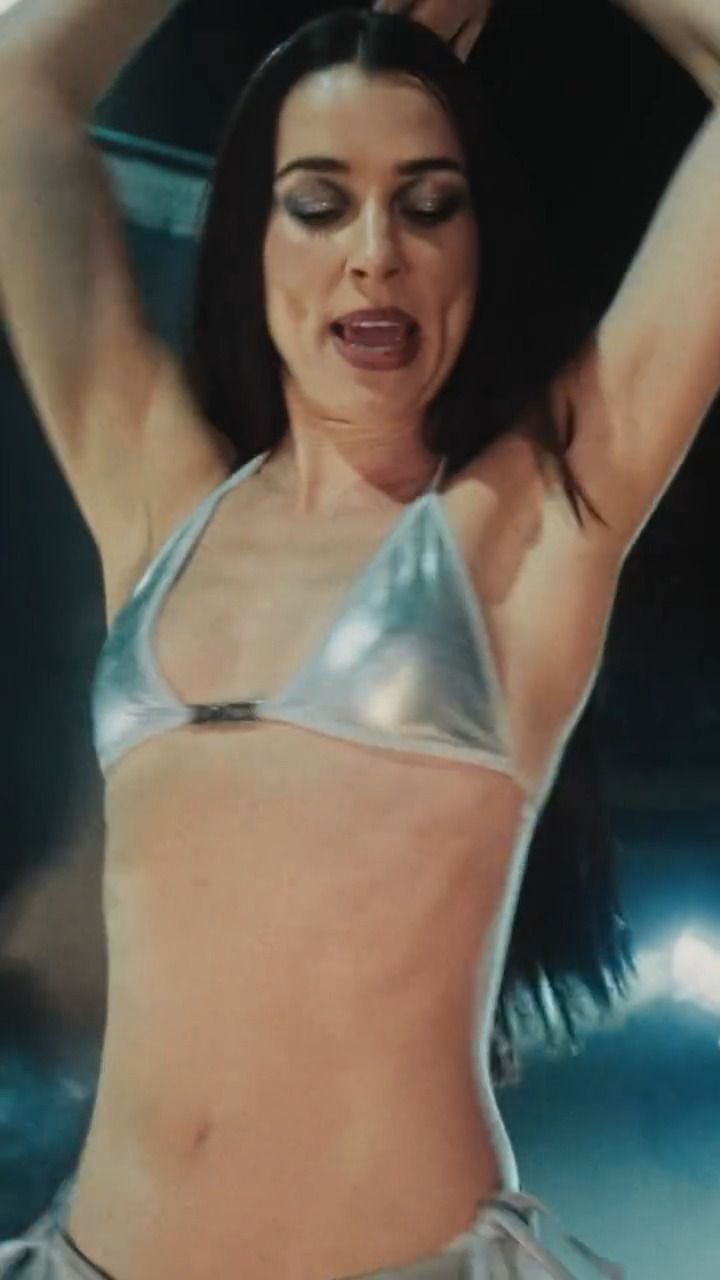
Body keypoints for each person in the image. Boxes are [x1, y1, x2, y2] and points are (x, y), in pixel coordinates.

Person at [0, 0, 718, 1276]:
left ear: (478, 249)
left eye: (429, 205)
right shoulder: (157, 503)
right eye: (318, 204)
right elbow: (17, 83)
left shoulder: (533, 523)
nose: (376, 254)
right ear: (252, 238)